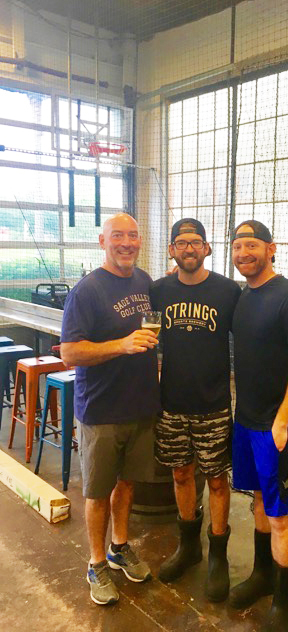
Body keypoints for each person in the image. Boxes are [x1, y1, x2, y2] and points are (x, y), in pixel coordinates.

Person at [60, 212, 160, 606]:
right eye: (118, 235)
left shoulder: (145, 282)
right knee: (98, 491)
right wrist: (121, 344)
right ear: (102, 240)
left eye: (133, 235)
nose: (126, 242)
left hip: (140, 406)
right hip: (100, 411)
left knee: (128, 483)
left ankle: (120, 547)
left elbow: (151, 329)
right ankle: (96, 562)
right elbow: (69, 352)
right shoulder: (86, 291)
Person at [230, 220, 288, 632]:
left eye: (251, 245)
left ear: (271, 248)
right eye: (237, 246)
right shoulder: (244, 297)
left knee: (280, 513)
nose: (244, 252)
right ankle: (262, 575)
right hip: (245, 421)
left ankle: (285, 601)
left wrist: (283, 421)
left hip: (276, 428)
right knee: (259, 503)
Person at [150, 218, 241, 602]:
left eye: (196, 242)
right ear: (172, 250)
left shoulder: (227, 291)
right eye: (182, 242)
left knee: (218, 481)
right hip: (171, 405)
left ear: (206, 248)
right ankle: (189, 547)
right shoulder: (158, 291)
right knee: (182, 474)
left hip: (214, 406)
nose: (189, 248)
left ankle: (217, 554)